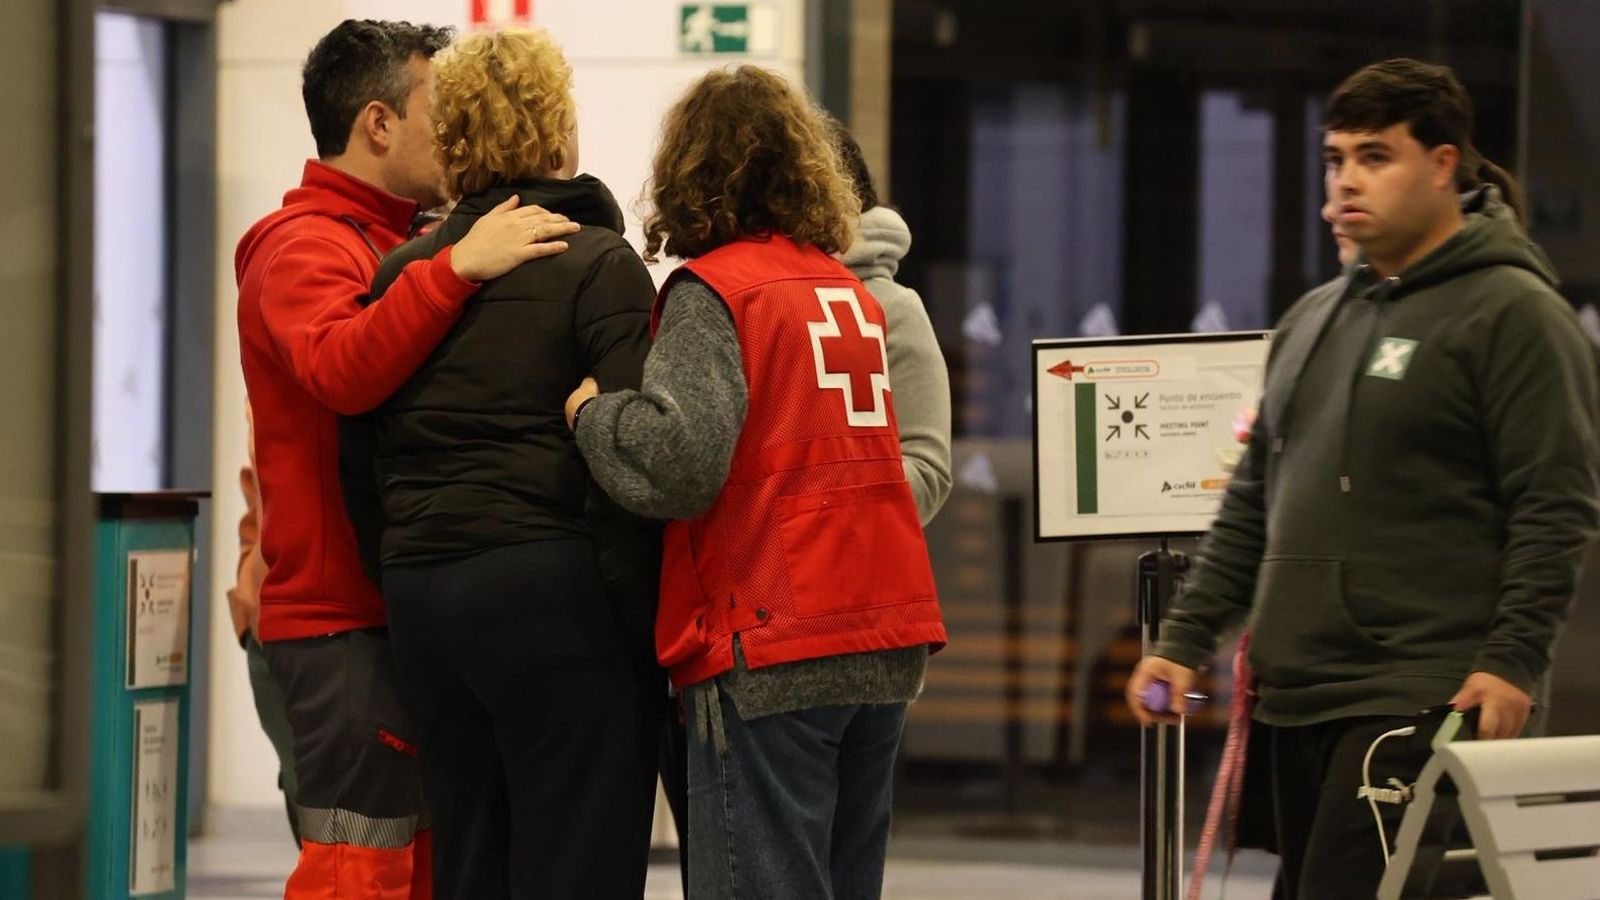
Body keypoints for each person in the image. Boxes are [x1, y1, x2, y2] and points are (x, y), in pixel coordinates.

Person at [1125, 57, 1600, 900]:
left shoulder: (1515, 313)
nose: (1347, 180)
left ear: (1444, 163)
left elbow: (1555, 506)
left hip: (1423, 693)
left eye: (1375, 156)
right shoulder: (1315, 318)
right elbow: (1252, 505)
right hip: (1297, 699)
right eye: (1336, 157)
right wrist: (1185, 640)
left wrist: (1514, 660)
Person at [567, 65, 948, 900]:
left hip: (773, 636)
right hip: (882, 633)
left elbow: (680, 465)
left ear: (689, 173)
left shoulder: (719, 292)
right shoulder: (845, 289)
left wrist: (594, 415)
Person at [234, 19, 577, 897]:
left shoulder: (390, 237)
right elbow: (342, 369)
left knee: (420, 871)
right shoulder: (300, 246)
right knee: (362, 872)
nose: (456, 130)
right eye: (438, 108)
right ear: (378, 124)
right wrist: (455, 268)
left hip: (402, 612)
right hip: (339, 621)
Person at [340, 29, 664, 900]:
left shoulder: (406, 271)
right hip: (552, 595)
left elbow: (359, 457)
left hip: (425, 600)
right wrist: (637, 627)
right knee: (578, 860)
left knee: (470, 856)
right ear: (559, 130)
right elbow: (634, 460)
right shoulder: (598, 265)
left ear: (453, 142)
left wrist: (405, 562)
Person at [832, 121, 953, 525]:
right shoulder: (751, 297)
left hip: (854, 568)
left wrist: (818, 500)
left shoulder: (894, 308)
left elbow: (927, 469)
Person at [225, 406, 300, 846]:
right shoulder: (267, 374)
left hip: (349, 633)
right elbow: (256, 498)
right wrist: (245, 603)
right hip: (268, 631)